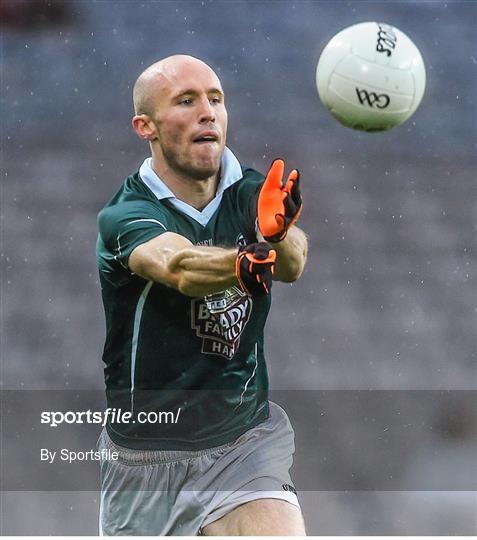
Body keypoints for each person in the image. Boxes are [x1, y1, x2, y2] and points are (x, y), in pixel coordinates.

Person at [96, 54, 308, 536]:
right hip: (144, 461)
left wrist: (278, 235)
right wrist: (241, 264)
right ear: (144, 126)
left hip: (243, 441)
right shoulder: (125, 214)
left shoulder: (252, 191)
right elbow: (179, 266)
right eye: (186, 101)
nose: (207, 112)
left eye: (215, 99)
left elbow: (293, 264)